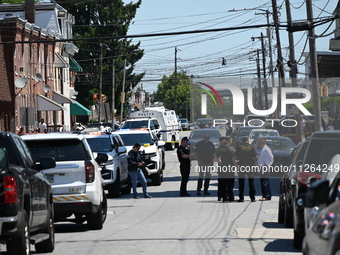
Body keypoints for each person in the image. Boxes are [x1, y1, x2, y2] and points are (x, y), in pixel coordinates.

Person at [234, 136, 257, 202]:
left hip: (242, 165)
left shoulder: (240, 147)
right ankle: (252, 198)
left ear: (242, 141)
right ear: (247, 140)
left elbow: (235, 157)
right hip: (250, 165)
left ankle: (241, 198)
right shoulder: (252, 147)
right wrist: (253, 161)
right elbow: (256, 156)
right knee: (251, 182)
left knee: (241, 182)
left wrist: (237, 165)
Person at [215, 136, 236, 202]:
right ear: (230, 140)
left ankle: (224, 197)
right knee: (230, 183)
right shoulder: (230, 148)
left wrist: (220, 162)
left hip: (222, 167)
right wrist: (237, 166)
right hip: (229, 167)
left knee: (223, 182)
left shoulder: (221, 148)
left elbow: (217, 157)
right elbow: (233, 158)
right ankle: (230, 197)